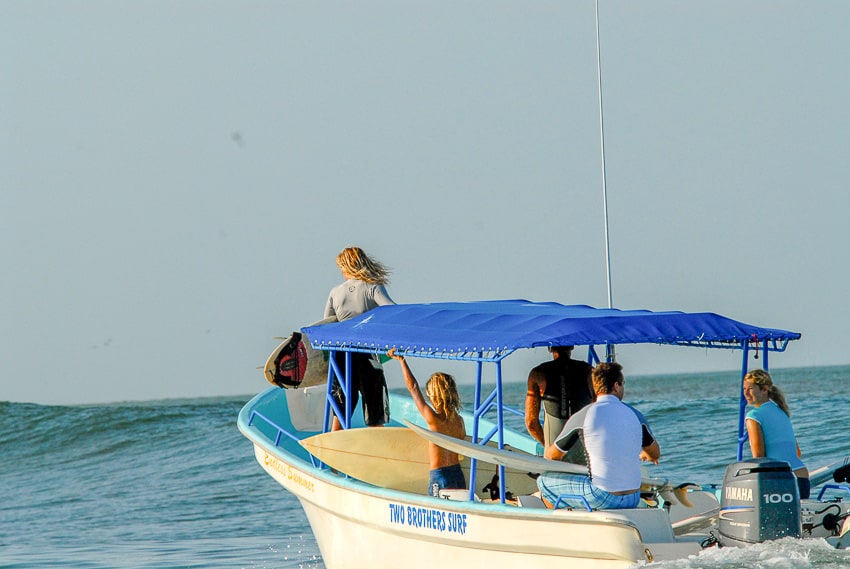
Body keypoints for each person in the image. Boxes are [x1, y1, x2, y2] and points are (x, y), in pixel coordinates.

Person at [536, 363, 660, 510]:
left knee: (544, 481)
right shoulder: (636, 415)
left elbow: (552, 456)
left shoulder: (583, 415)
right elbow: (655, 453)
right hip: (633, 497)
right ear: (616, 385)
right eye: (623, 384)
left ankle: (566, 522)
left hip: (602, 496)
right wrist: (646, 452)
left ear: (595, 387)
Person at [323, 246, 395, 431]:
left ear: (346, 267)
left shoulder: (335, 292)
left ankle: (333, 453)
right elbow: (393, 310)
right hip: (366, 353)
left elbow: (327, 325)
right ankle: (378, 453)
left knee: (340, 410)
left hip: (341, 356)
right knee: (375, 410)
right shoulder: (373, 286)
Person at [387, 348, 467, 497]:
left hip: (440, 477)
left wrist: (402, 361)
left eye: (429, 394)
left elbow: (413, 388)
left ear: (435, 395)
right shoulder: (460, 422)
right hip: (458, 475)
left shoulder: (434, 419)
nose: (428, 397)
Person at [743, 369, 810, 499]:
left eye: (750, 388)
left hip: (779, 480)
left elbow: (759, 457)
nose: (746, 393)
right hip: (801, 476)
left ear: (764, 389)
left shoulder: (754, 416)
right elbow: (797, 453)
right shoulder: (781, 411)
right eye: (744, 389)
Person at [525, 346, 594, 448]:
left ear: (550, 348)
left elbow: (531, 422)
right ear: (572, 347)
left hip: (554, 452)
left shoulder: (538, 374)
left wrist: (548, 446)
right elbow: (599, 409)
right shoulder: (589, 371)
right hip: (585, 448)